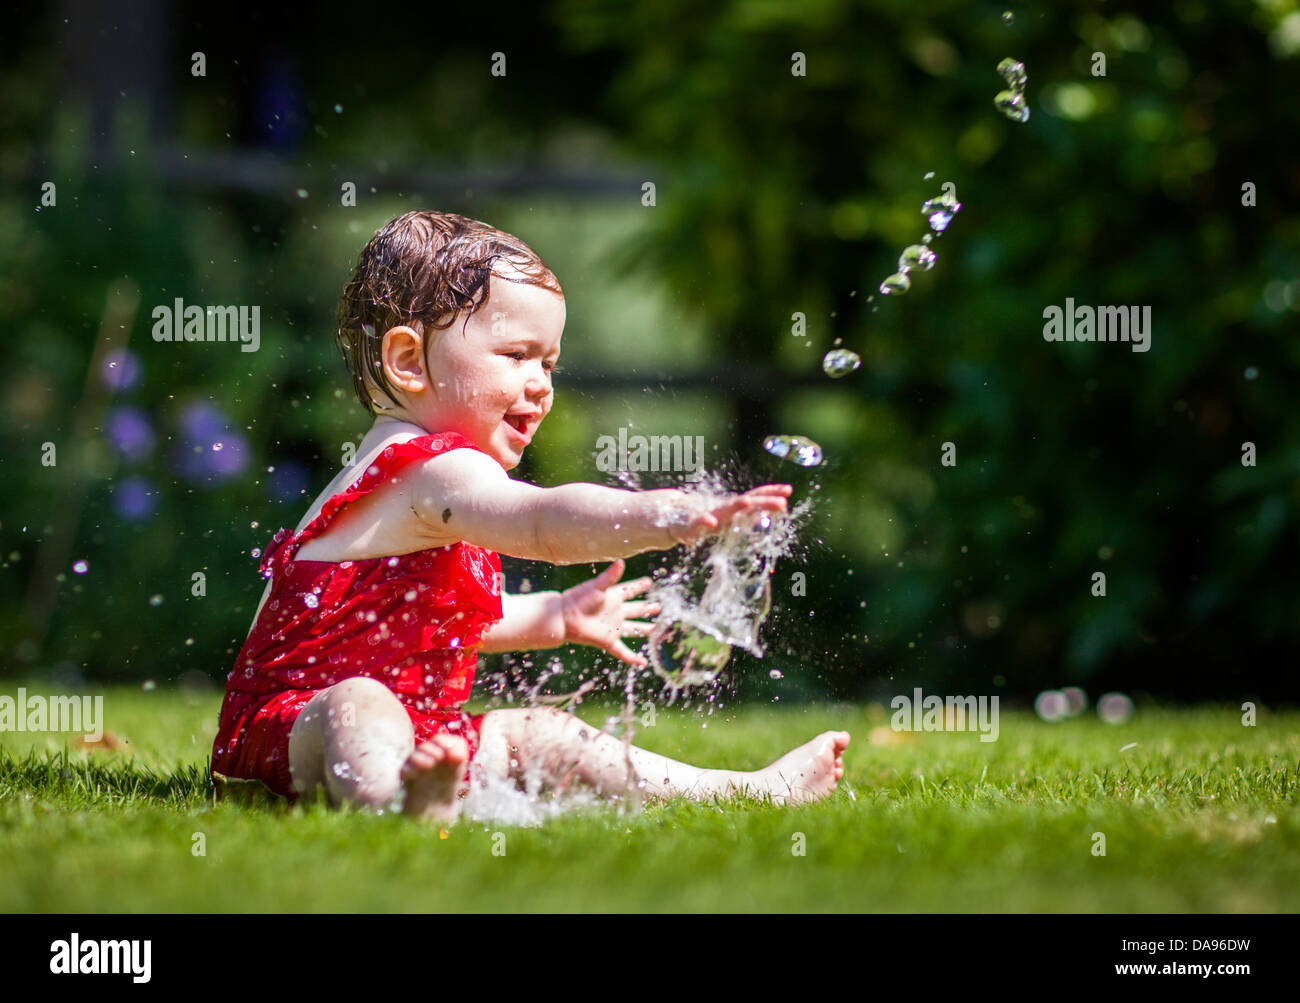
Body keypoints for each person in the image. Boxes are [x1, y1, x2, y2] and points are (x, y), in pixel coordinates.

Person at [210, 210, 849, 822]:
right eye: (516, 355)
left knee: (541, 734)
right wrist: (671, 513)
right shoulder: (431, 469)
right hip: (291, 725)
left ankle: (745, 792)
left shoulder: (420, 479)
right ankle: (392, 807)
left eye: (548, 362)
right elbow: (543, 520)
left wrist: (558, 615)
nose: (542, 382)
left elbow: (429, 626)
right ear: (407, 361)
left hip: (415, 734)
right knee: (361, 704)